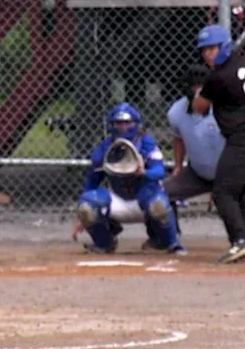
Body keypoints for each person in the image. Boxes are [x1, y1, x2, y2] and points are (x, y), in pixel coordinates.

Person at [164, 64, 245, 257]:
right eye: (194, 86)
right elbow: (178, 137)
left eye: (202, 86)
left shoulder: (226, 109)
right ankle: (168, 237)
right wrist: (178, 165)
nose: (198, 91)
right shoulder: (176, 113)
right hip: (199, 172)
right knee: (162, 193)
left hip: (230, 168)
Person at [193, 24, 245, 264]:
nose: (208, 54)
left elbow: (199, 108)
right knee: (235, 191)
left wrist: (199, 92)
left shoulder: (218, 76)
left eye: (212, 49)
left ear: (224, 46)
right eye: (204, 50)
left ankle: (241, 241)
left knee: (222, 192)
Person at [70, 103, 184, 256]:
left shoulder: (146, 143)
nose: (122, 127)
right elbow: (92, 180)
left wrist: (144, 173)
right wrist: (81, 217)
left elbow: (159, 171)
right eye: (118, 123)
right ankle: (105, 243)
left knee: (158, 204)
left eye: (127, 123)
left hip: (144, 198)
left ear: (136, 124)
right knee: (86, 207)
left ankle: (168, 242)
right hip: (119, 197)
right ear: (111, 125)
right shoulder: (105, 147)